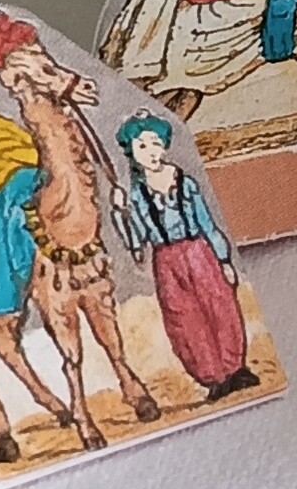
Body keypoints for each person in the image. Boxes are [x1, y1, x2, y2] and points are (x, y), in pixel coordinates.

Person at [111, 115, 260, 402]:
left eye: (155, 143)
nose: (151, 152)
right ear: (132, 153)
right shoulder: (138, 195)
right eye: (142, 146)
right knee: (184, 318)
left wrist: (224, 259)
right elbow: (137, 240)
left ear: (164, 145)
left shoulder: (185, 183)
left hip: (199, 252)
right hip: (166, 260)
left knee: (220, 305)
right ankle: (213, 377)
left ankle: (235, 368)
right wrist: (120, 213)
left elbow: (207, 223)